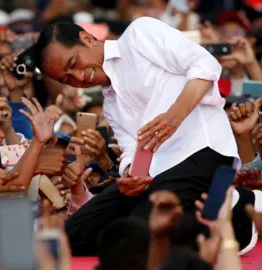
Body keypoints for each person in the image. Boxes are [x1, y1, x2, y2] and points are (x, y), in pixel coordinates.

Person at [31, 18, 239, 255]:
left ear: (87, 39)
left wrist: (176, 114)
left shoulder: (139, 34)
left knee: (138, 237)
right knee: (70, 238)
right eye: (66, 79)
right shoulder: (110, 104)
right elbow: (130, 153)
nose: (78, 77)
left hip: (202, 152)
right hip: (155, 178)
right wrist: (130, 176)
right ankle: (208, 211)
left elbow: (204, 63)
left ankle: (236, 213)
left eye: (74, 63)